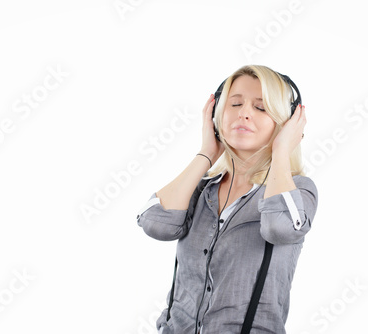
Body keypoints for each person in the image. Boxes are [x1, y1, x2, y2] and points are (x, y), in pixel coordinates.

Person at [136, 65, 319, 334]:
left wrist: (281, 151)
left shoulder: (298, 191)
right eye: (234, 103)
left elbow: (279, 227)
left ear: (286, 123)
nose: (244, 113)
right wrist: (206, 153)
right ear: (216, 116)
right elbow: (155, 225)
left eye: (261, 107)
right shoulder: (200, 189)